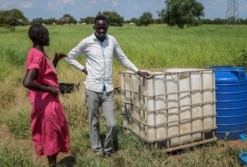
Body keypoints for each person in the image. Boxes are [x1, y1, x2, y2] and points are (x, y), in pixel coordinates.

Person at [65, 15, 152, 157]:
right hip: (92, 88)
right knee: (94, 122)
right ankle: (97, 149)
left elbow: (122, 57)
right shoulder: (87, 42)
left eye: (104, 27)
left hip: (108, 90)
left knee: (111, 123)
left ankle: (108, 149)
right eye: (98, 27)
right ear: (94, 27)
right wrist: (83, 69)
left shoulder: (112, 41)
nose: (101, 30)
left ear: (107, 27)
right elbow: (70, 57)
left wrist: (137, 71)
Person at [23, 24, 70, 167]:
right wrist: (50, 90)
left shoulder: (36, 52)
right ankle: (52, 164)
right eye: (46, 35)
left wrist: (55, 61)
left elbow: (43, 74)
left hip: (43, 100)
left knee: (51, 132)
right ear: (40, 38)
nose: (49, 37)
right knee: (51, 133)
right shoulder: (37, 55)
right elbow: (27, 81)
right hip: (46, 102)